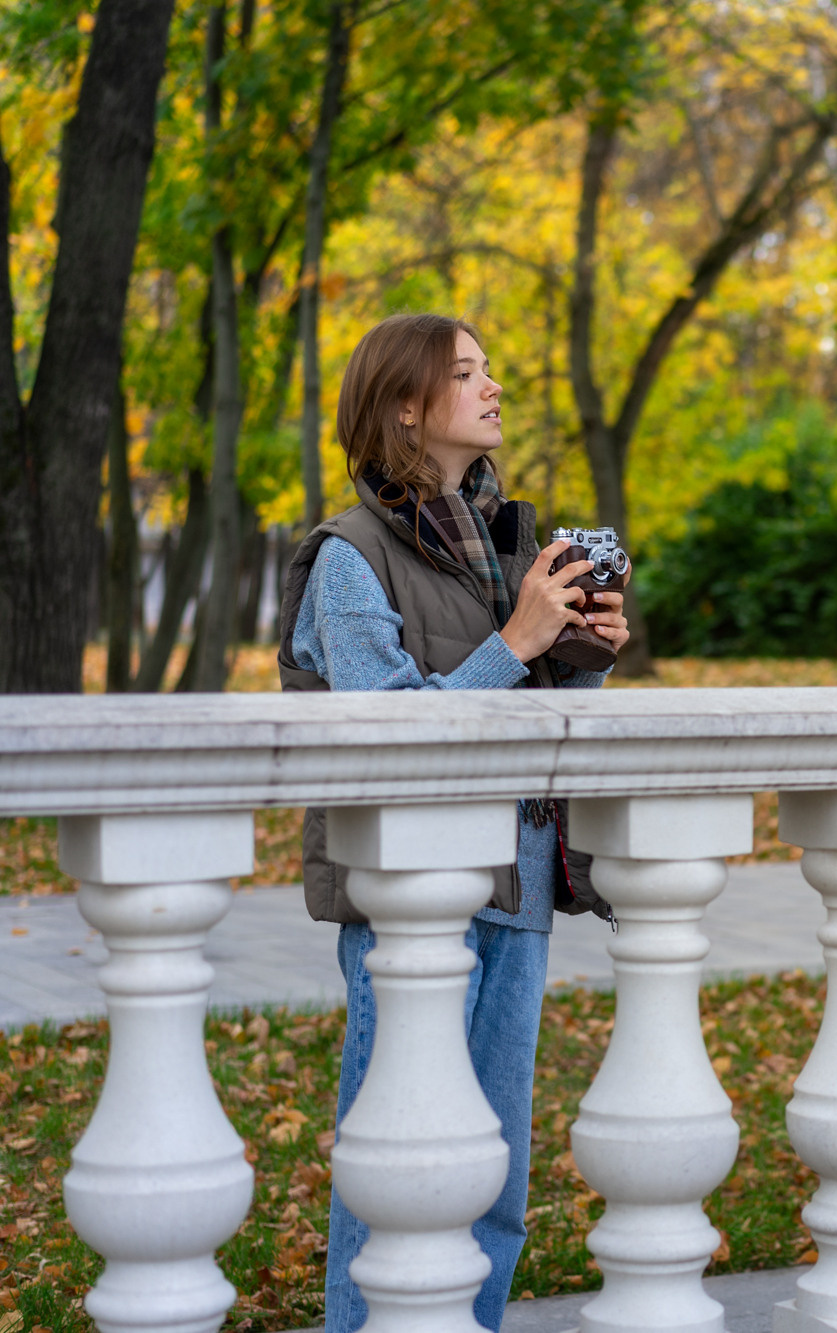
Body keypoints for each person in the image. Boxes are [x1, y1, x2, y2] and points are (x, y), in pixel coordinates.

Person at [275, 313, 628, 1333]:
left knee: (497, 1177)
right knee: (396, 1172)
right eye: (463, 372)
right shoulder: (349, 556)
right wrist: (517, 639)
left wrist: (580, 654)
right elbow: (388, 729)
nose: (493, 386)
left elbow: (538, 725)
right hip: (407, 905)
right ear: (404, 406)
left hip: (514, 890)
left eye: (488, 366)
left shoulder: (504, 546)